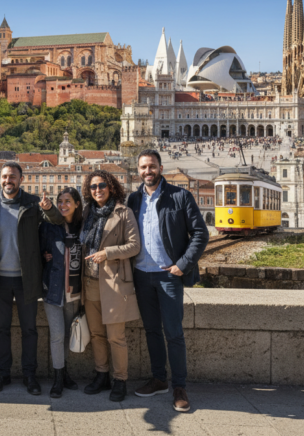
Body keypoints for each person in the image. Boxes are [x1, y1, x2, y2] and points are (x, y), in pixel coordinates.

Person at [126, 149, 209, 413]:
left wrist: (182, 265)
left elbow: (200, 233)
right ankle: (159, 379)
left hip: (168, 275)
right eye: (142, 167)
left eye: (151, 166)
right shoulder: (134, 199)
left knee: (173, 333)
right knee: (151, 330)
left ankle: (180, 387)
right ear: (137, 170)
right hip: (141, 274)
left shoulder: (179, 196)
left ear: (160, 167)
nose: (147, 171)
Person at [0, 162, 63, 396]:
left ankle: (30, 375)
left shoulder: (33, 203)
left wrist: (49, 208)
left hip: (27, 278)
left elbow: (56, 221)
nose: (9, 181)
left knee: (30, 330)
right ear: (0, 179)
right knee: (1, 330)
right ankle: (2, 374)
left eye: (13, 177)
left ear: (21, 179)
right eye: (5, 177)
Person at [80, 170, 140, 403]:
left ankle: (120, 380)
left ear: (111, 187)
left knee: (116, 336)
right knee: (96, 334)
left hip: (114, 282)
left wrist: (108, 253)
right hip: (89, 281)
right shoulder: (87, 212)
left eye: (102, 185)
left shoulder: (123, 212)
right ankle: (101, 374)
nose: (97, 190)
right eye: (93, 187)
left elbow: (134, 246)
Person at [40, 187, 83, 398]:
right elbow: (37, 248)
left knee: (67, 334)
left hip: (74, 290)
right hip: (53, 288)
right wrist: (44, 256)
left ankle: (64, 372)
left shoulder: (83, 226)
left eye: (68, 201)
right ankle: (57, 378)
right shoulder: (49, 224)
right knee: (57, 334)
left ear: (76, 204)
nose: (63, 205)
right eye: (60, 201)